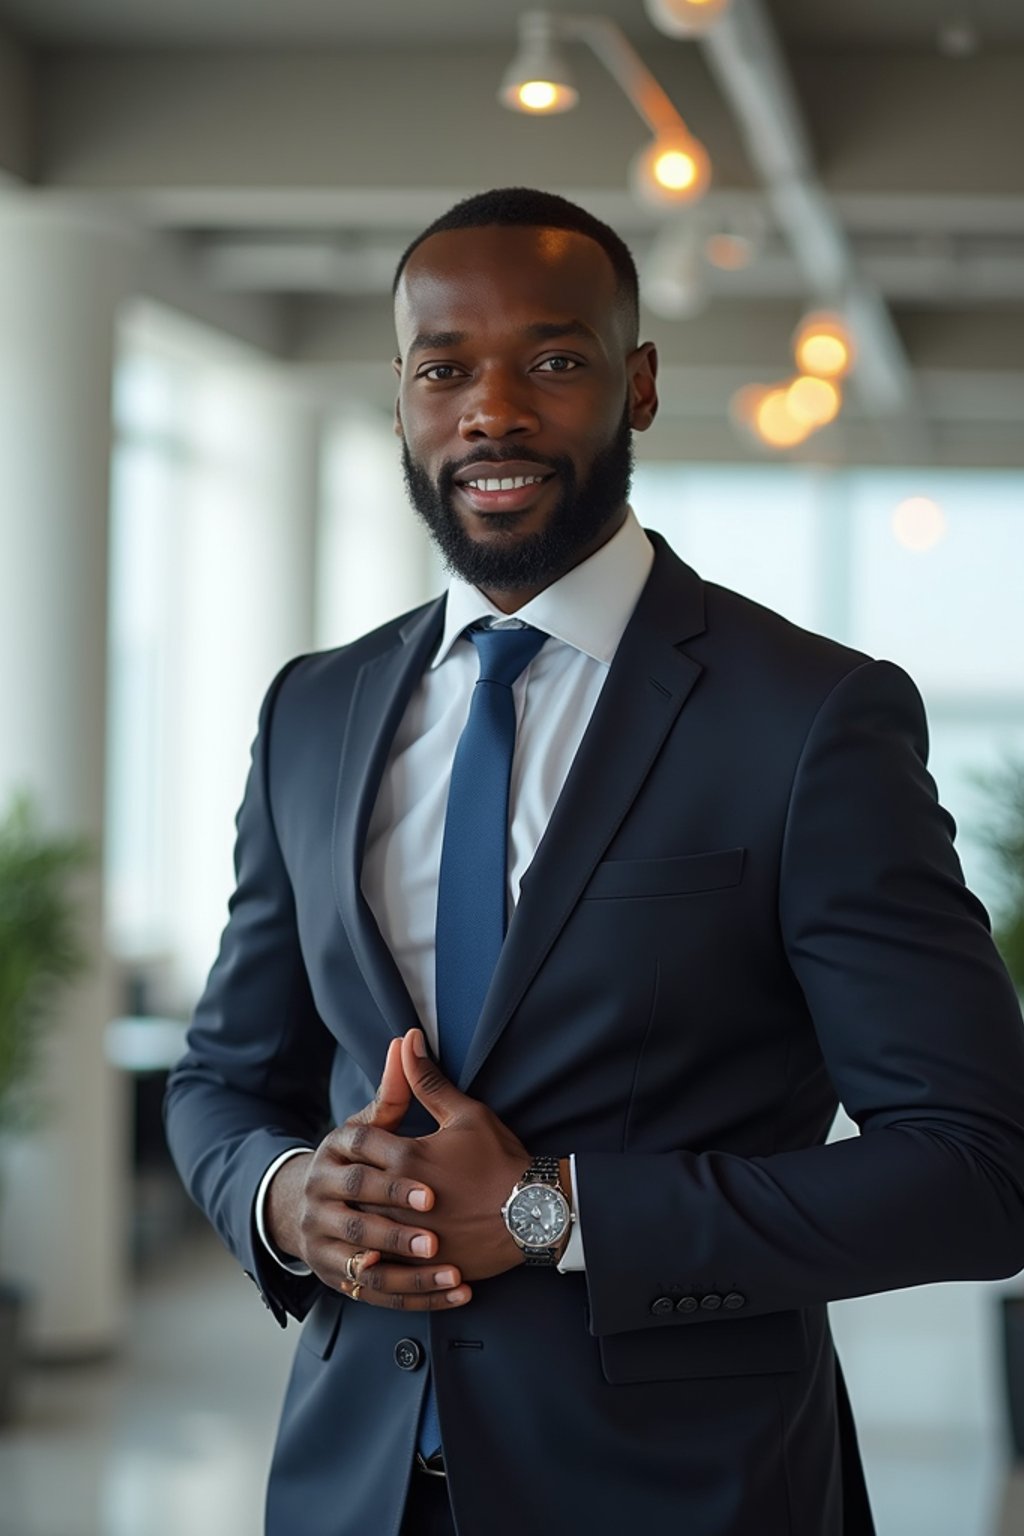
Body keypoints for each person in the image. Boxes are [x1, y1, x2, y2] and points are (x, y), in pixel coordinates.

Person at [164, 187, 1024, 1536]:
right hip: (355, 1487)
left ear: (638, 385)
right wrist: (288, 1200)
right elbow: (225, 1077)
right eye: (445, 368)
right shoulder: (312, 713)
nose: (491, 411)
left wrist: (553, 1214)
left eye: (552, 363)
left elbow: (978, 1173)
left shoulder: (806, 719)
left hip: (685, 1494)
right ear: (401, 395)